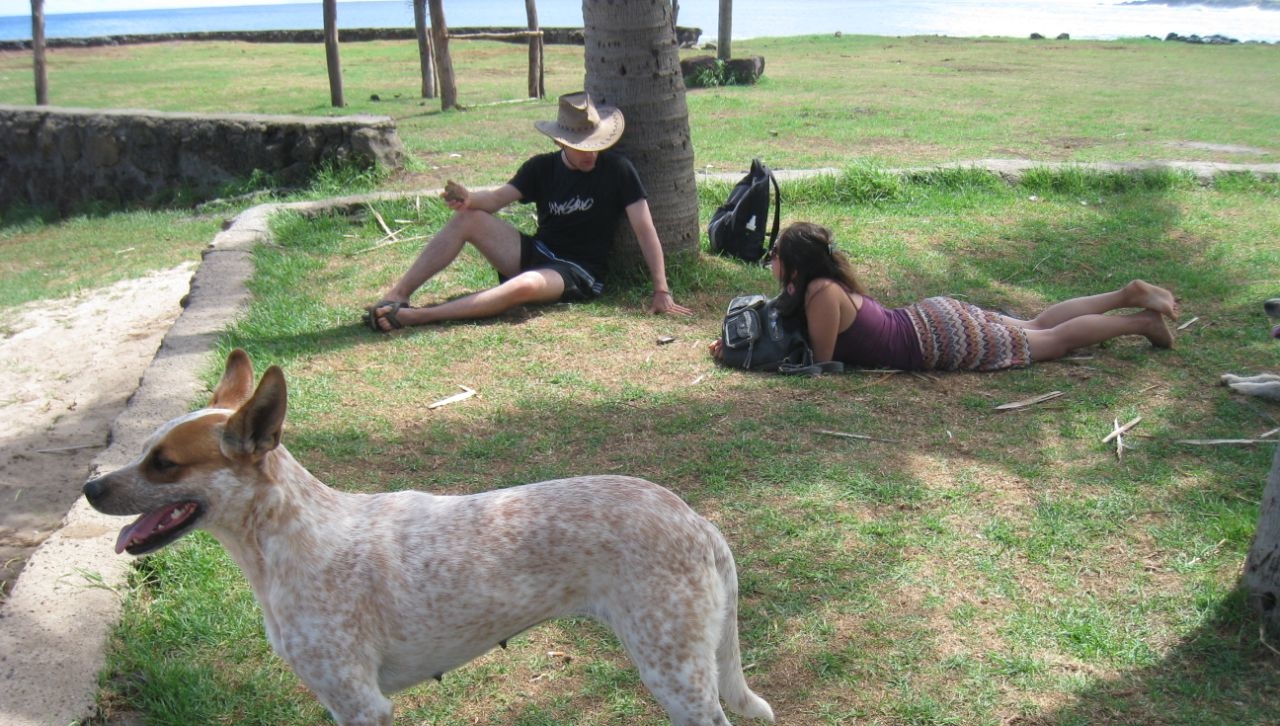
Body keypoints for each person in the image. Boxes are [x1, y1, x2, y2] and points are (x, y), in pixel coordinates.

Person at [364, 91, 692, 331]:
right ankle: (398, 295)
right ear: (561, 142)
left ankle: (419, 316)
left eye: (596, 145)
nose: (590, 154)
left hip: (578, 270)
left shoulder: (618, 169)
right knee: (468, 219)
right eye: (581, 148)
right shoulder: (541, 169)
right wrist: (469, 199)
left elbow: (644, 229)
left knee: (524, 287)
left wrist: (661, 289)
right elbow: (495, 200)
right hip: (538, 251)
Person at [710, 221, 1178, 370]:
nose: (770, 261)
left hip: (936, 341)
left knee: (1050, 342)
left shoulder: (817, 294)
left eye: (775, 254)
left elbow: (823, 361)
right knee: (1036, 324)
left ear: (795, 263)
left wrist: (749, 358)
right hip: (934, 316)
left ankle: (1140, 322)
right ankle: (1125, 293)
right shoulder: (822, 285)